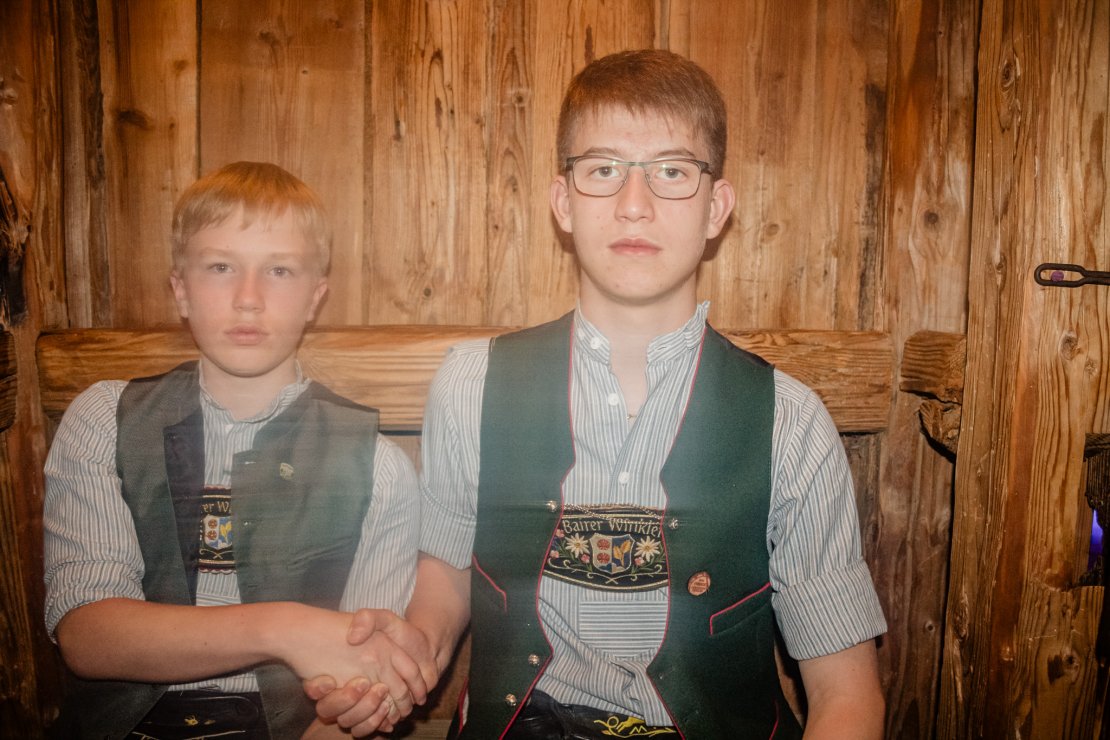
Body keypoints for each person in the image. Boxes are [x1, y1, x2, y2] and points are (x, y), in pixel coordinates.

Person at [315, 49, 887, 738]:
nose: (633, 205)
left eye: (672, 171)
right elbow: (447, 582)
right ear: (564, 202)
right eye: (604, 169)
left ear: (716, 209)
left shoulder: (788, 422)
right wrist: (401, 664)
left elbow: (847, 695)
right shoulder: (471, 385)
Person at [42, 161, 434, 739]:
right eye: (221, 266)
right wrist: (285, 628)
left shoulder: (376, 467)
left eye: (279, 270)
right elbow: (87, 637)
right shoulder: (106, 419)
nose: (248, 299)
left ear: (315, 298)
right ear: (181, 289)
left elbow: (361, 682)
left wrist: (355, 705)